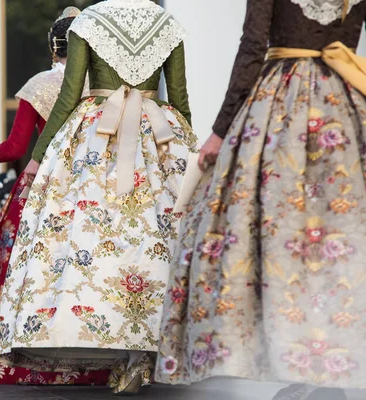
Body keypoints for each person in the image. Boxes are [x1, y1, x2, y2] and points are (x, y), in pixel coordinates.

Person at [155, 1, 366, 399]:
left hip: (280, 110)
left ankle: (300, 364)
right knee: (337, 241)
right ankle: (327, 366)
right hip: (344, 105)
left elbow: (252, 49)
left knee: (277, 238)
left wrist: (220, 131)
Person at [0, 0, 197, 395]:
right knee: (154, 239)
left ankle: (121, 349)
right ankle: (143, 355)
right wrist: (190, 155)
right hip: (158, 132)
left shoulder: (88, 20)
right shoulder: (167, 23)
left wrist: (38, 158)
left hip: (95, 136)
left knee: (98, 242)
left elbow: (69, 97)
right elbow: (180, 100)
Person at [0, 7, 111, 385]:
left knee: (20, 275)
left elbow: (16, 146)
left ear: (54, 49)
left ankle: (14, 361)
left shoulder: (42, 84)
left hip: (45, 187)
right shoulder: (105, 90)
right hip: (93, 191)